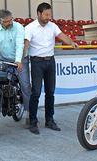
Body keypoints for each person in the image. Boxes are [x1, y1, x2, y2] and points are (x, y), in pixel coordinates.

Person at [24, 2, 78, 135]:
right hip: (36, 62)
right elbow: (26, 44)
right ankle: (33, 122)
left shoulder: (52, 26)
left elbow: (62, 36)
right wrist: (22, 57)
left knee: (50, 92)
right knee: (36, 93)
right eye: (46, 14)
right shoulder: (30, 28)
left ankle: (49, 120)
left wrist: (71, 42)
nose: (49, 17)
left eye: (50, 14)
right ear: (39, 14)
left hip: (50, 62)